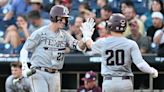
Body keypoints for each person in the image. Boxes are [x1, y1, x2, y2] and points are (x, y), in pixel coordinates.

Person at [19, 5, 93, 92]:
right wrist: (24, 66)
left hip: (55, 73)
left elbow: (79, 47)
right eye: (62, 18)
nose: (65, 21)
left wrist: (85, 38)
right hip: (39, 72)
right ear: (55, 17)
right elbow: (25, 49)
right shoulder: (40, 33)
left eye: (65, 18)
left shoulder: (64, 35)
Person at [80, 13, 158, 92]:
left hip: (109, 82)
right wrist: (152, 71)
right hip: (125, 82)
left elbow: (90, 44)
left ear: (110, 26)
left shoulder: (103, 42)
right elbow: (141, 65)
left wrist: (87, 36)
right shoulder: (131, 43)